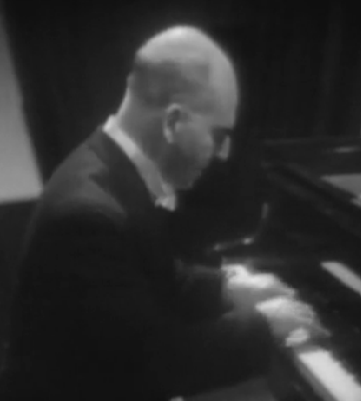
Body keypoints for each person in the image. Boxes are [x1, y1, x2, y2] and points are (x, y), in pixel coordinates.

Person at [0, 26, 325, 400]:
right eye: (218, 136)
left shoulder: (111, 169)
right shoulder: (88, 215)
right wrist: (265, 327)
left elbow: (157, 275)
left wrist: (228, 287)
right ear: (173, 122)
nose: (224, 155)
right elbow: (153, 364)